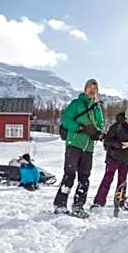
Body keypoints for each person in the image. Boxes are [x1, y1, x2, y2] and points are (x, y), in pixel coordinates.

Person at [53, 78, 105, 218]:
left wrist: (96, 131)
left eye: (95, 88)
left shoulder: (97, 108)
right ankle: (60, 204)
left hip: (88, 147)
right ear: (85, 89)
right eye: (90, 87)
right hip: (74, 144)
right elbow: (66, 121)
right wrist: (81, 127)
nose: (92, 90)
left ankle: (78, 206)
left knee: (84, 178)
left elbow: (101, 124)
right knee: (69, 174)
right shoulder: (76, 104)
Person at [91, 104, 128, 210]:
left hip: (125, 159)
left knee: (122, 181)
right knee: (108, 179)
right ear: (126, 117)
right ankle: (99, 201)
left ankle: (120, 201)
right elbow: (107, 140)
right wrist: (119, 144)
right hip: (113, 157)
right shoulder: (116, 126)